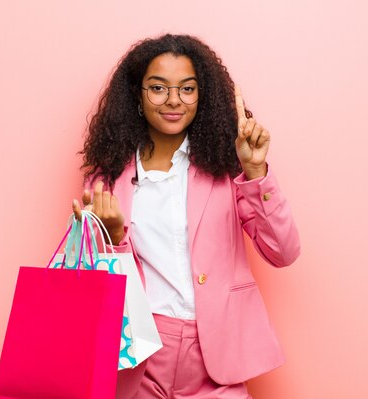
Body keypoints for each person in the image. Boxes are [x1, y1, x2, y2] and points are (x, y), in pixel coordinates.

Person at [72, 34, 300, 399]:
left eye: (187, 88)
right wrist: (113, 241)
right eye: (158, 88)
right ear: (137, 94)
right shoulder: (107, 179)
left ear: (202, 95)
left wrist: (256, 172)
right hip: (139, 358)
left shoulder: (227, 167)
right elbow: (95, 288)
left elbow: (282, 252)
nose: (174, 100)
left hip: (218, 354)